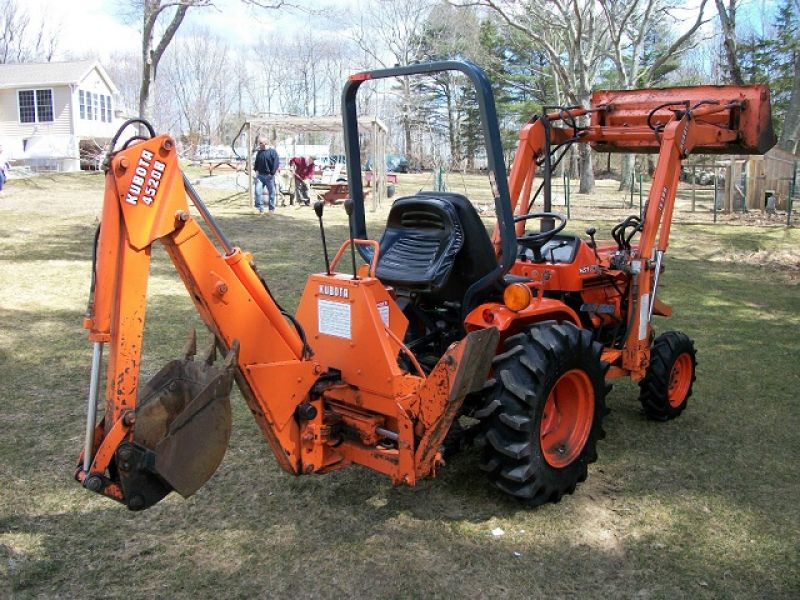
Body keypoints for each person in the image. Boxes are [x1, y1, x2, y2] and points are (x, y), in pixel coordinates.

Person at [253, 137, 279, 214]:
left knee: (272, 193)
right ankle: (260, 209)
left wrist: (272, 173)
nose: (259, 145)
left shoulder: (272, 152)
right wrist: (256, 170)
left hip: (269, 176)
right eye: (259, 143)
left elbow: (276, 163)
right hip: (260, 176)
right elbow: (257, 162)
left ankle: (271, 209)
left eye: (260, 143)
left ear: (265, 143)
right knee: (257, 192)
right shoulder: (259, 152)